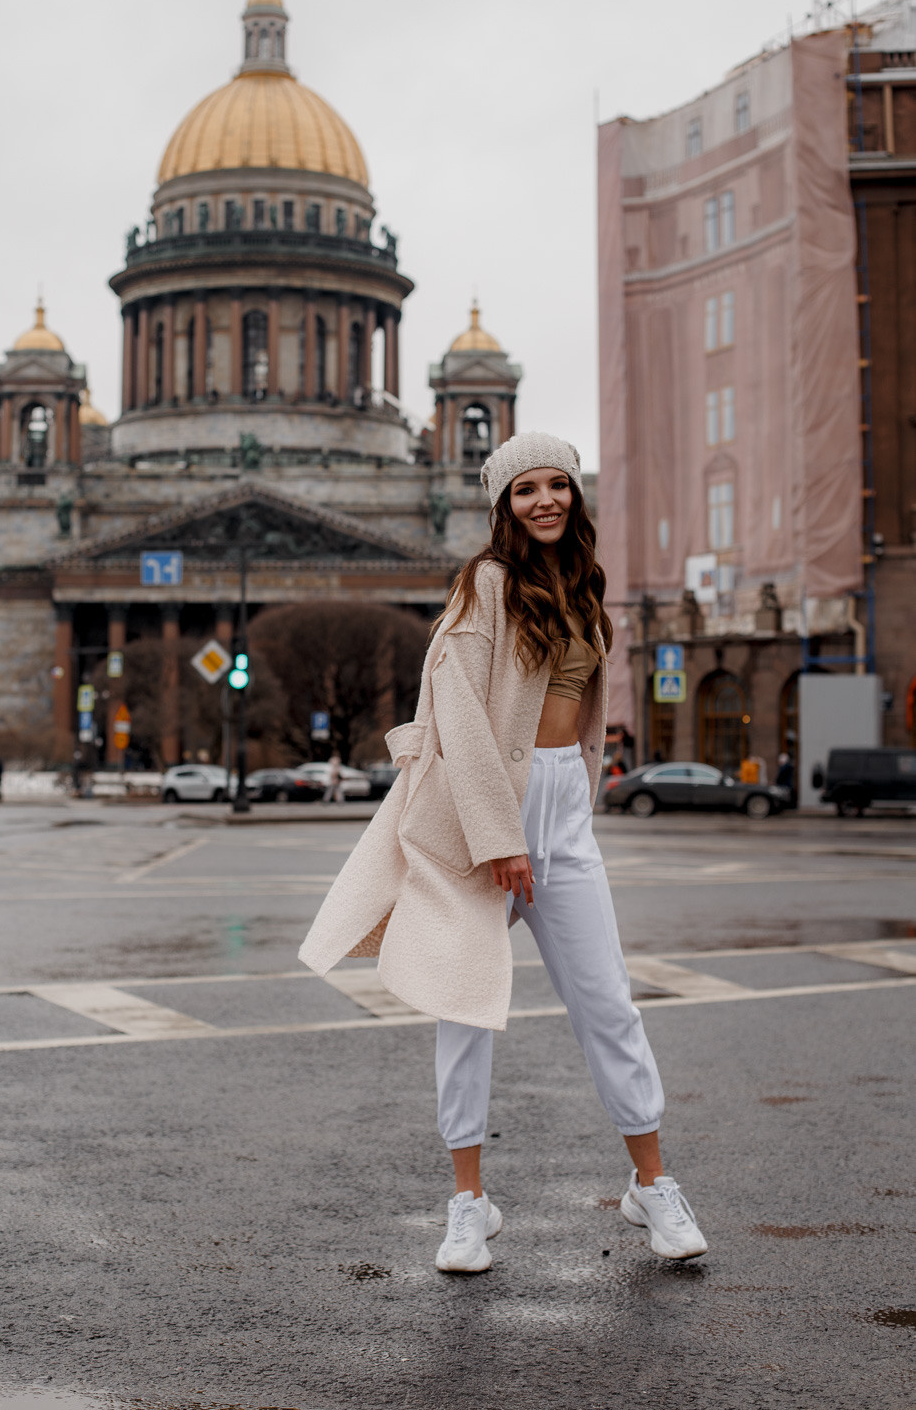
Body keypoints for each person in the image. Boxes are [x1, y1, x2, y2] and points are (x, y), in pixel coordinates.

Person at [300, 431, 707, 1273]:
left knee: (609, 1008)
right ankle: (467, 1205)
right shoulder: (484, 585)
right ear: (502, 505)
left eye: (558, 485)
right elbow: (459, 716)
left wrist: (562, 813)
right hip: (488, 819)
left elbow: (574, 721)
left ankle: (651, 1187)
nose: (545, 500)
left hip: (565, 816)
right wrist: (500, 839)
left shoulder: (584, 589)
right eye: (526, 490)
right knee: (466, 1010)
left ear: (575, 496)